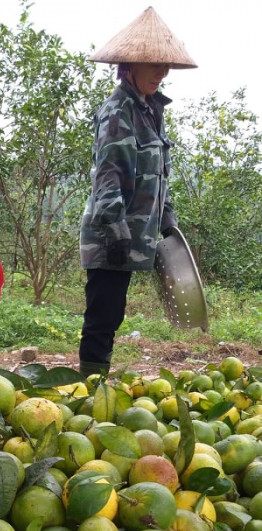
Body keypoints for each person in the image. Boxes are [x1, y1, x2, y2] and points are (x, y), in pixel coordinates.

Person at [78, 7, 197, 378]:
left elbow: (158, 174)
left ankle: (97, 381)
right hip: (113, 233)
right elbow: (108, 176)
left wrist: (168, 221)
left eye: (165, 66)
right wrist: (114, 232)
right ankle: (90, 388)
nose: (161, 73)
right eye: (153, 65)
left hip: (137, 233)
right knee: (104, 313)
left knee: (113, 312)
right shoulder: (118, 110)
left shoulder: (150, 110)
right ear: (130, 65)